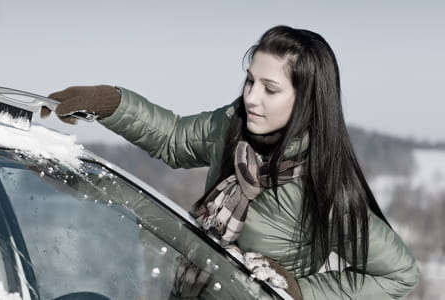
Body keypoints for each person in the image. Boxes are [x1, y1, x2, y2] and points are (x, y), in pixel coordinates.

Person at [48, 25, 420, 300]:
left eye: (270, 89)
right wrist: (111, 103)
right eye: (249, 81)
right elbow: (174, 139)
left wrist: (299, 290)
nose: (252, 98)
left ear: (305, 100)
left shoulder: (322, 184)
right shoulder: (232, 126)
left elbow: (399, 275)